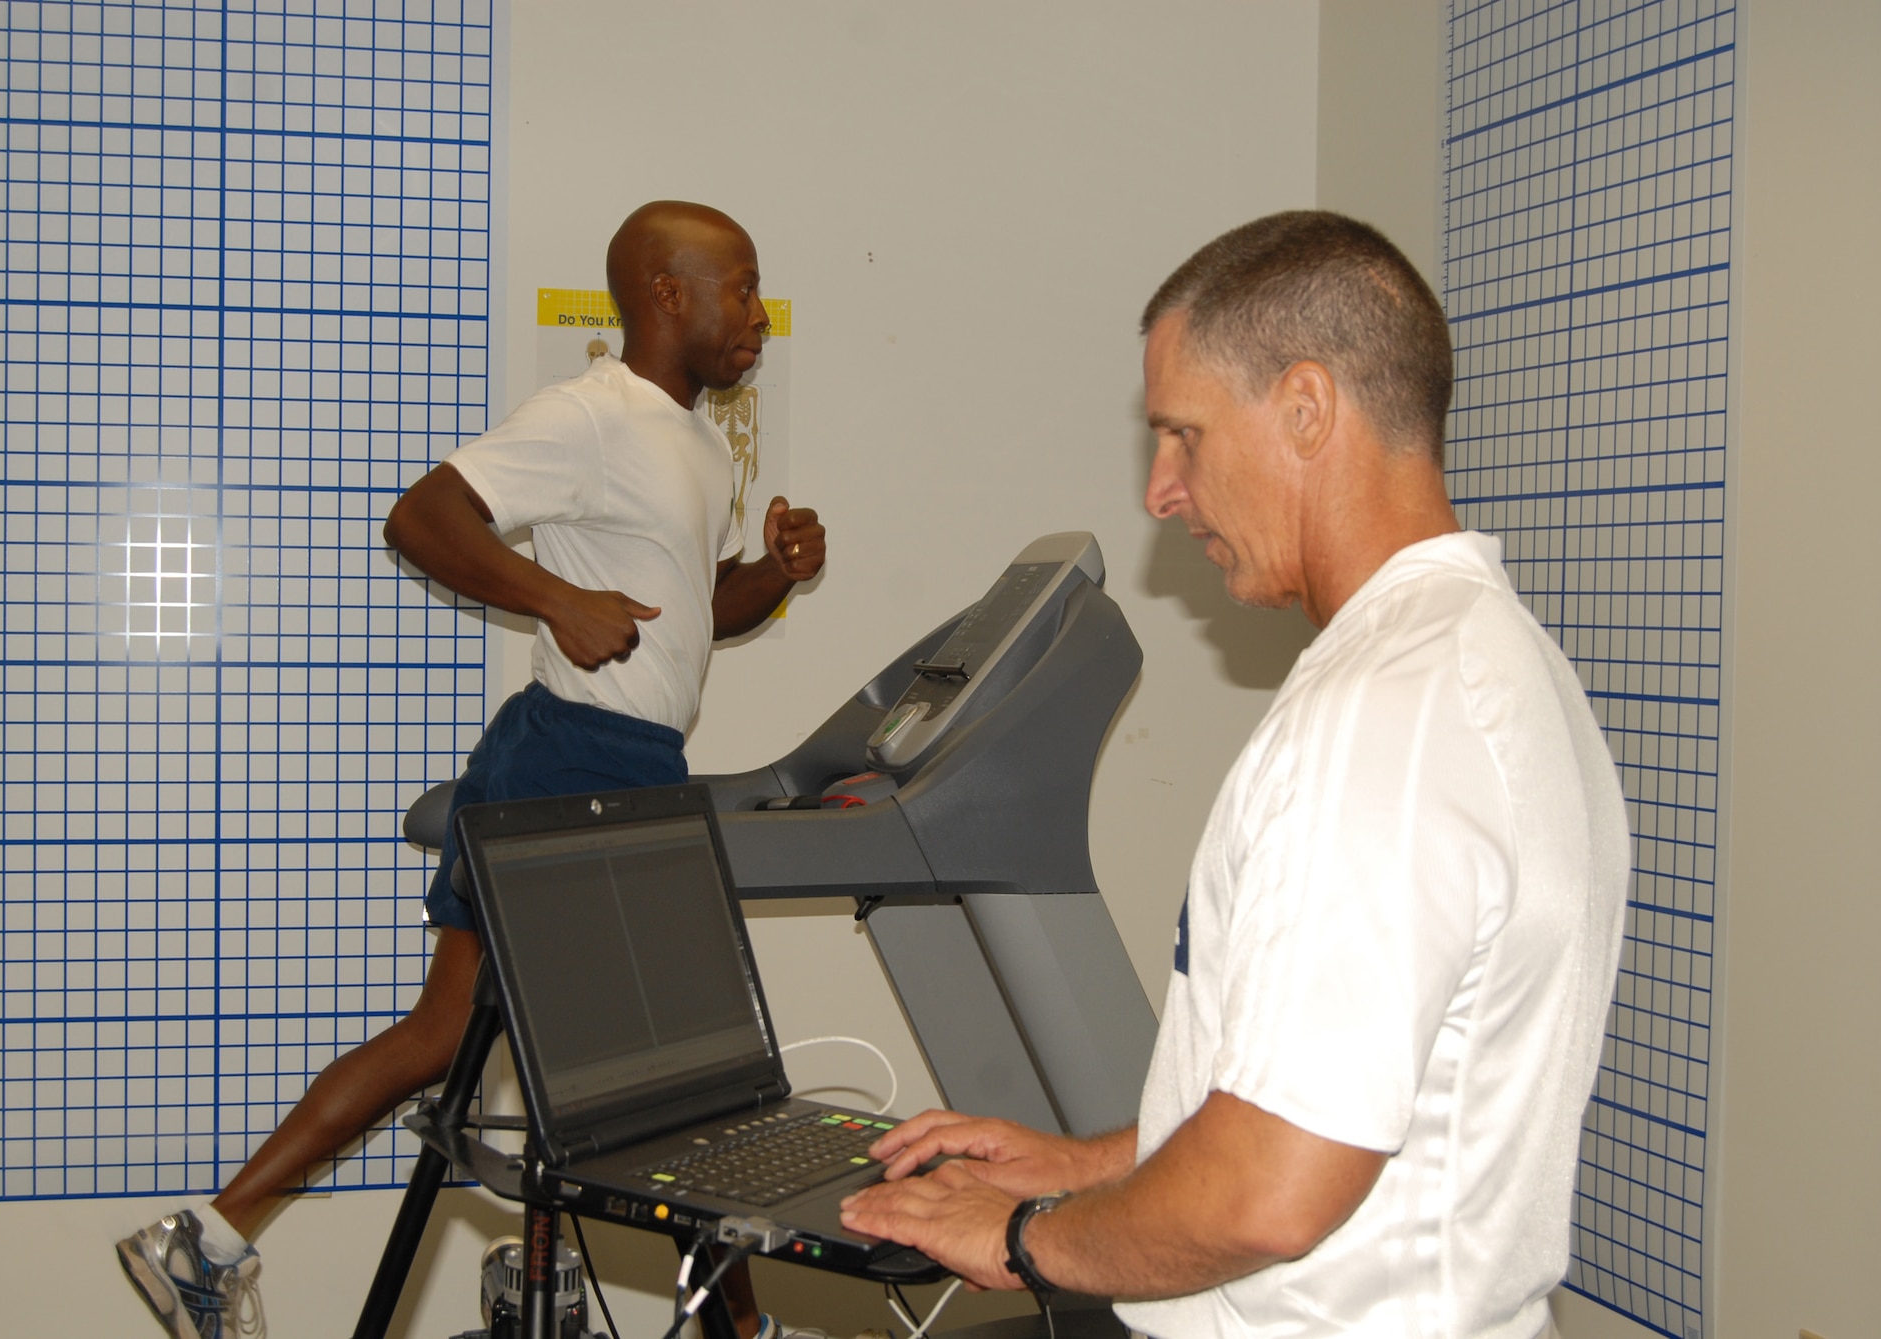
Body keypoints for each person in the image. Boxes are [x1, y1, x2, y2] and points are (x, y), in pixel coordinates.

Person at [839, 212, 1630, 1339]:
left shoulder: (1386, 718)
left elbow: (1266, 1194)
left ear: (1304, 409)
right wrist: (1075, 1167)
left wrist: (1021, 1240)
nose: (1160, 490)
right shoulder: (1485, 663)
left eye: (1183, 436)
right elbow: (1338, 1109)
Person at [117, 201, 826, 1339]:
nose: (757, 316)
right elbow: (423, 514)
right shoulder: (593, 414)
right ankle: (737, 1327)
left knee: (485, 1042)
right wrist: (552, 597)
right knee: (665, 1063)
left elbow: (691, 617)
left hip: (620, 757)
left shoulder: (695, 442)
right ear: (665, 293)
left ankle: (205, 1240)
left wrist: (775, 574)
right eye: (738, 287)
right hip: (570, 757)